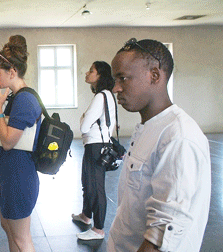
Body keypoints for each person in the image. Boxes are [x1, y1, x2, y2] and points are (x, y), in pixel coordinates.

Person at [108, 38, 211, 252]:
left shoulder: (178, 136)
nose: (116, 88)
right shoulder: (149, 127)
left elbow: (161, 235)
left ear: (154, 75)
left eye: (123, 78)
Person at [0, 35, 41, 252]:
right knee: (8, 227)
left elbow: (8, 141)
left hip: (19, 178)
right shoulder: (15, 97)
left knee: (21, 238)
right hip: (10, 175)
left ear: (12, 72)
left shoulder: (25, 100)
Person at [71, 61, 116, 240]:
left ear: (100, 76)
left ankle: (98, 229)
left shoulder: (101, 97)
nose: (87, 73)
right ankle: (85, 216)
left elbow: (84, 126)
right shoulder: (106, 95)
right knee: (88, 182)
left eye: (91, 71)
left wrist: (83, 118)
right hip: (96, 145)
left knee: (96, 188)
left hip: (95, 146)